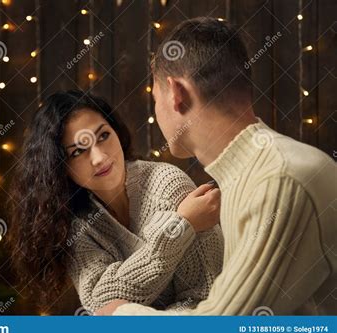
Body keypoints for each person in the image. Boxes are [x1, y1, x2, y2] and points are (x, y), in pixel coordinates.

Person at [98, 17, 337, 316]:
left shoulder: (281, 179)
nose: (156, 111)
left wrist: (120, 314)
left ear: (176, 93)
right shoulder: (253, 174)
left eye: (155, 98)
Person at [6, 90, 223, 313]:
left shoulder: (168, 186)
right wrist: (178, 228)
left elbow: (203, 299)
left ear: (116, 132)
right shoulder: (77, 223)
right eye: (78, 151)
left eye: (103, 136)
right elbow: (100, 304)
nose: (99, 158)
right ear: (60, 167)